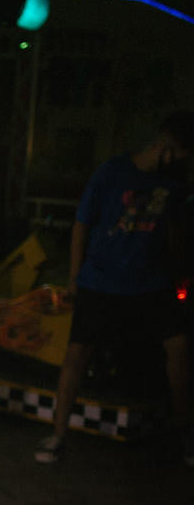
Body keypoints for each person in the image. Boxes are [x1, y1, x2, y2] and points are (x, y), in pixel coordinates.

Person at [36, 112, 192, 466]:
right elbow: (81, 224)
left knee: (180, 350)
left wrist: (178, 270)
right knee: (76, 355)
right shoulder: (112, 173)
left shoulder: (173, 185)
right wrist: (75, 276)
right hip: (102, 280)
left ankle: (184, 433)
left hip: (150, 282)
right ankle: (58, 435)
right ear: (166, 147)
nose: (182, 164)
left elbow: (175, 232)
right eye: (181, 155)